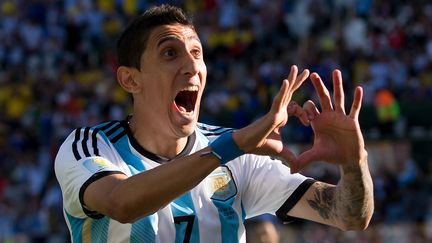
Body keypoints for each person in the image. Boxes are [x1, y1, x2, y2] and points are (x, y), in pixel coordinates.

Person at [54, 4, 374, 243]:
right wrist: (231, 147)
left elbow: (347, 215)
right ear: (130, 79)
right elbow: (120, 203)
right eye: (170, 53)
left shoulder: (238, 154)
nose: (192, 65)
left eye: (197, 53)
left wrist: (354, 163)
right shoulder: (91, 146)